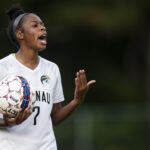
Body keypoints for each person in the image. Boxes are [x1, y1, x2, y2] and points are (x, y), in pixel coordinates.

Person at [0, 5, 96, 150]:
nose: (42, 28)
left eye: (43, 25)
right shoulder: (3, 67)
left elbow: (55, 117)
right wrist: (6, 122)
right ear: (20, 34)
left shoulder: (52, 69)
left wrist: (77, 100)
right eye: (35, 25)